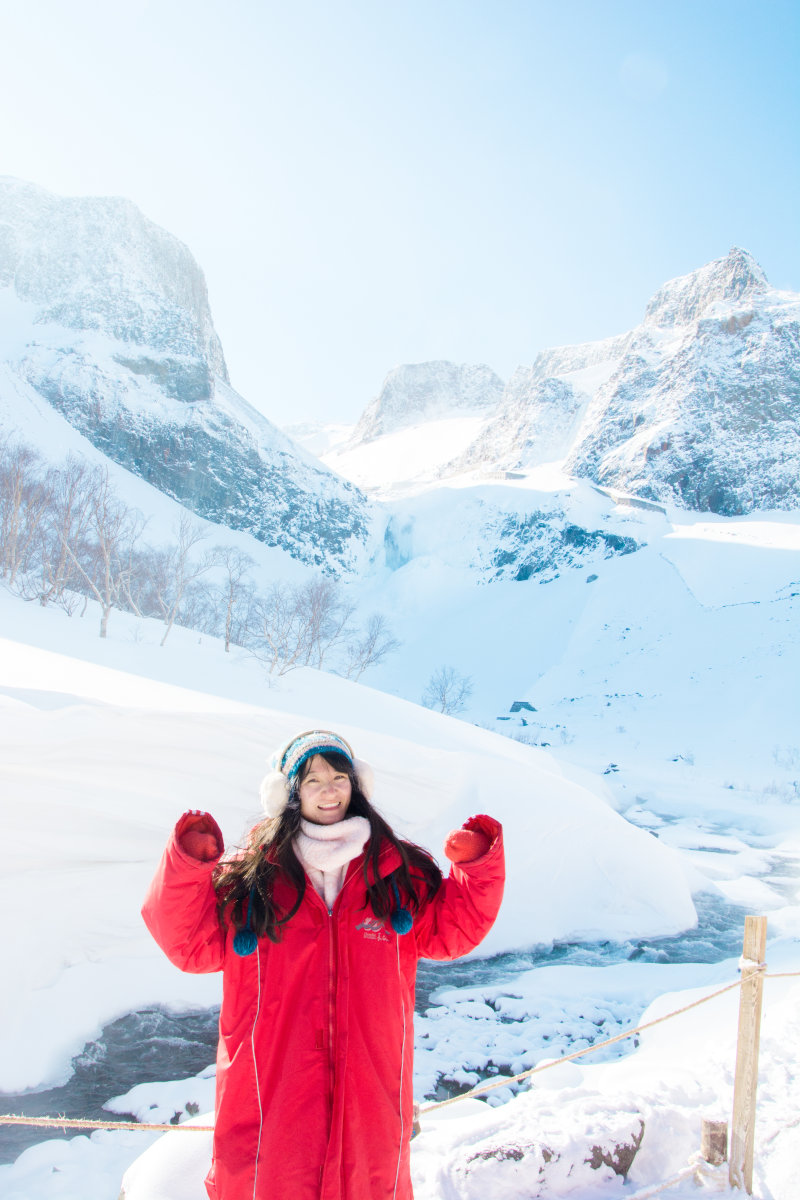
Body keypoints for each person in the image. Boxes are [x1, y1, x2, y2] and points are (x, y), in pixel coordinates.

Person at [142, 729, 504, 1200]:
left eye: (339, 776)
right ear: (290, 793)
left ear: (357, 786)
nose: (329, 789)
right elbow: (189, 943)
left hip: (369, 1093)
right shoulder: (254, 877)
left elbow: (451, 932)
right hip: (270, 1092)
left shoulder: (397, 871)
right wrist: (187, 865)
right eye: (312, 780)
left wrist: (476, 869)